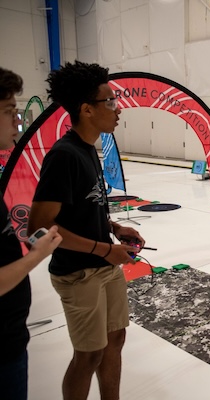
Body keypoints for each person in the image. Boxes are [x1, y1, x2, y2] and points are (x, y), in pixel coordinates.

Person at [28, 60, 145, 400]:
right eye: (110, 102)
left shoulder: (88, 149)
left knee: (115, 339)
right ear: (87, 109)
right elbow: (40, 227)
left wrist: (114, 227)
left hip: (104, 265)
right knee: (89, 355)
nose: (117, 109)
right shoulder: (63, 155)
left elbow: (81, 207)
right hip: (78, 273)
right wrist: (105, 249)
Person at [0, 67, 62, 400]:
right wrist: (37, 255)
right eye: (9, 111)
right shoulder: (64, 155)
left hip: (12, 338)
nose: (17, 121)